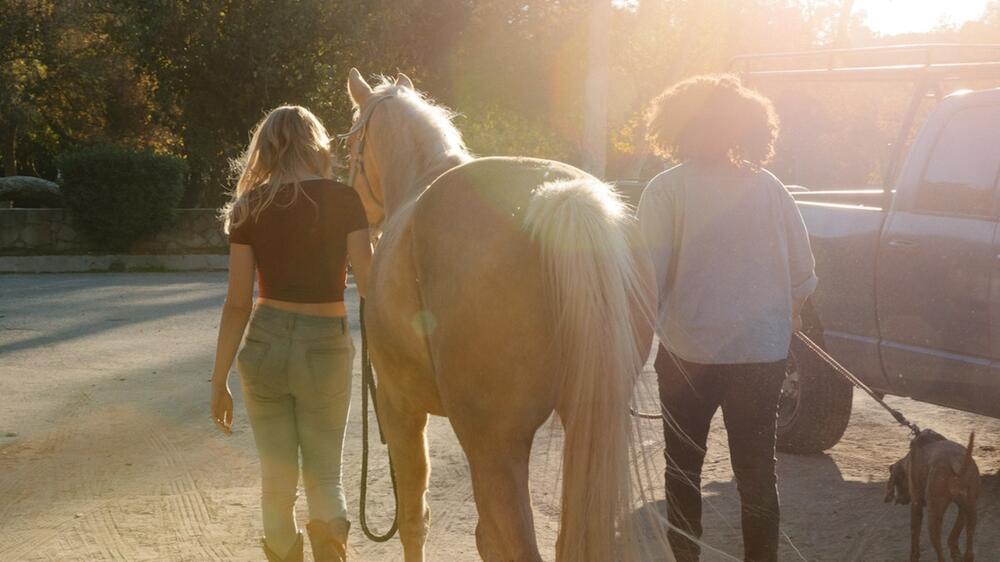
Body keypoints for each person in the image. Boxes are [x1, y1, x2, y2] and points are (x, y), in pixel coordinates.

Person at [637, 75, 817, 562]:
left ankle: (686, 558)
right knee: (758, 474)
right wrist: (786, 319)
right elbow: (803, 275)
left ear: (681, 125)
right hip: (761, 357)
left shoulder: (665, 190)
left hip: (687, 357)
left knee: (682, 469)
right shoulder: (770, 187)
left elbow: (646, 282)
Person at [209, 105, 372, 562]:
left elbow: (238, 302)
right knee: (324, 477)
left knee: (276, 479)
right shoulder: (345, 200)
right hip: (325, 343)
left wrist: (218, 379)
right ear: (314, 142)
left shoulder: (248, 207)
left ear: (265, 148)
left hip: (264, 343)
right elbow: (371, 286)